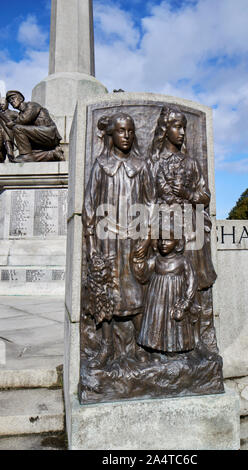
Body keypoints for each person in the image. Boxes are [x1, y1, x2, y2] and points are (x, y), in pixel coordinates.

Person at [82, 112, 155, 366]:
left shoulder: (141, 166)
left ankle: (142, 346)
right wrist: (91, 245)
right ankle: (106, 347)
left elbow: (151, 203)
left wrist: (146, 239)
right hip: (106, 241)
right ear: (112, 135)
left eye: (131, 131)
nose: (127, 136)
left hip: (134, 241)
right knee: (105, 295)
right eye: (122, 131)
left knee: (137, 294)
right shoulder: (101, 165)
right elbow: (89, 206)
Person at [149, 105, 217, 349]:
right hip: (166, 232)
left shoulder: (191, 163)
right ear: (165, 130)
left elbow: (204, 196)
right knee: (168, 288)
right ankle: (168, 340)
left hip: (191, 233)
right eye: (176, 127)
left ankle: (201, 339)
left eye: (184, 128)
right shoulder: (154, 164)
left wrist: (187, 193)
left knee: (195, 285)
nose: (181, 133)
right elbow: (147, 201)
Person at [131, 233, 197, 352]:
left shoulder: (182, 261)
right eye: (161, 240)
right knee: (157, 322)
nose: (163, 243)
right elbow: (143, 273)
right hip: (157, 299)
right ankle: (155, 347)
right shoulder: (156, 259)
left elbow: (192, 282)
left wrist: (187, 302)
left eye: (168, 240)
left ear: (177, 242)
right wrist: (138, 257)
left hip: (174, 298)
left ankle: (174, 349)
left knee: (173, 326)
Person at [5, 90, 63, 162]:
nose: (11, 101)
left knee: (17, 128)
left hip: (49, 133)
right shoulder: (20, 114)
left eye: (13, 98)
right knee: (32, 155)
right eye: (10, 101)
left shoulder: (32, 105)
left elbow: (25, 119)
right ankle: (53, 154)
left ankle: (25, 155)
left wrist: (13, 123)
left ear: (20, 99)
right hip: (40, 137)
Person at [0, 97, 17, 162]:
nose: (1, 106)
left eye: (3, 104)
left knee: (8, 145)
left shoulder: (12, 113)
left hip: (8, 132)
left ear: (7, 104)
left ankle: (11, 159)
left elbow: (21, 119)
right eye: (0, 104)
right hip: (1, 132)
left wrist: (13, 123)